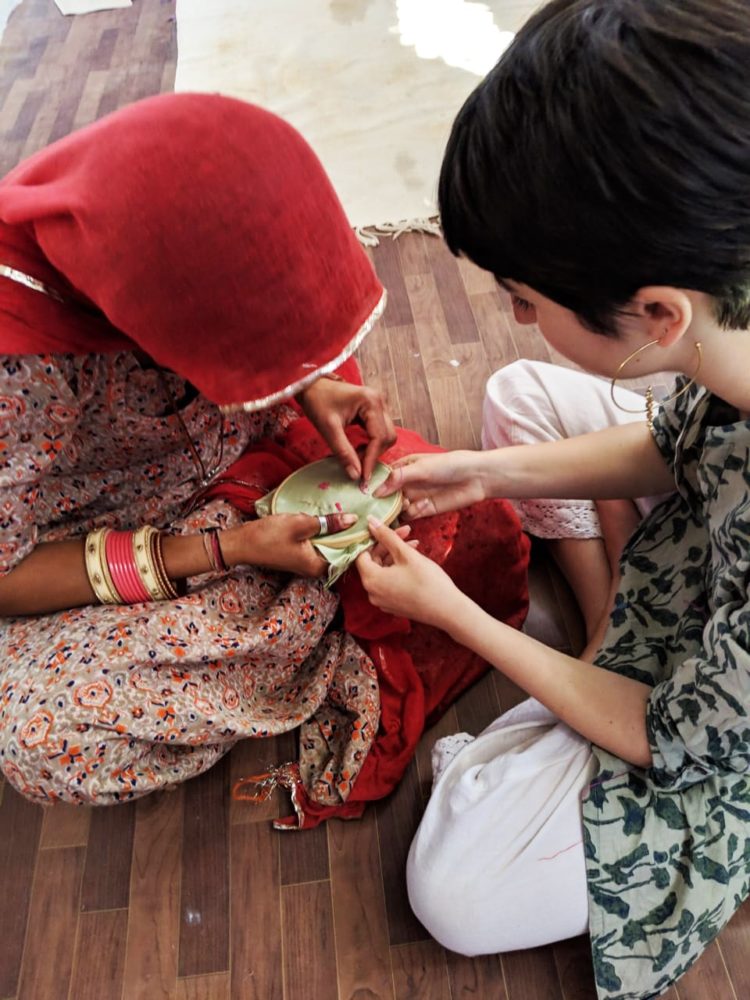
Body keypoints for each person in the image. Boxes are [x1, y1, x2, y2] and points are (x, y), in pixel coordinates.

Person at [356, 1, 750, 997]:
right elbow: (681, 441)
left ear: (658, 315)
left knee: (458, 891)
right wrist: (488, 472)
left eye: (523, 299)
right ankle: (608, 623)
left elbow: (673, 731)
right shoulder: (725, 324)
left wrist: (449, 613)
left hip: (713, 720)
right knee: (519, 399)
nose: (519, 314)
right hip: (711, 562)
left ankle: (599, 670)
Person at [0, 92, 530, 821]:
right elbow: (7, 575)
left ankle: (299, 612)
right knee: (48, 738)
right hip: (91, 540)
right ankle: (312, 618)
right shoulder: (18, 370)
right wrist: (227, 548)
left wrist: (309, 385)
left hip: (228, 459)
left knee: (478, 522)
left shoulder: (162, 213)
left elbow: (239, 288)